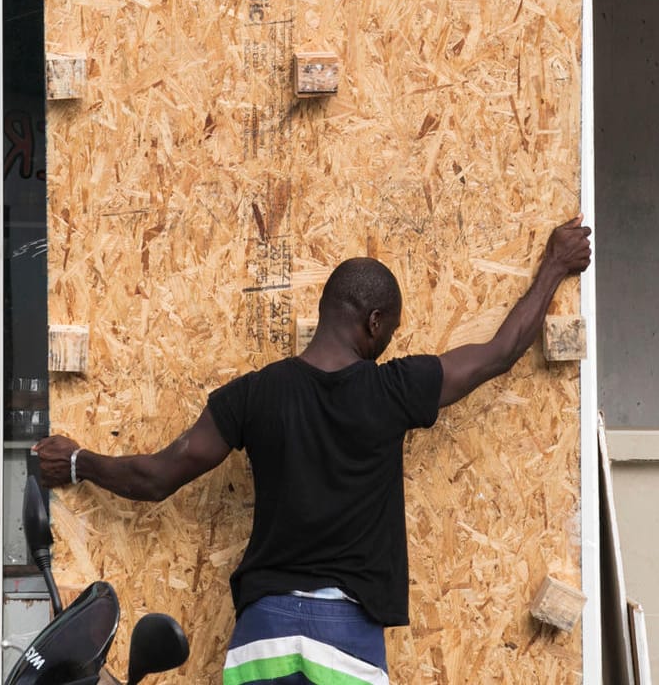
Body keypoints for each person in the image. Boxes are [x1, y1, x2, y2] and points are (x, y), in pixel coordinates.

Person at [33, 219, 593, 685]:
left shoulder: (253, 395)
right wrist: (554, 267)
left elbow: (156, 475)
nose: (390, 342)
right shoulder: (393, 389)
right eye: (391, 330)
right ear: (374, 322)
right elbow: (499, 353)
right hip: (346, 639)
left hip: (264, 634)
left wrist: (80, 461)